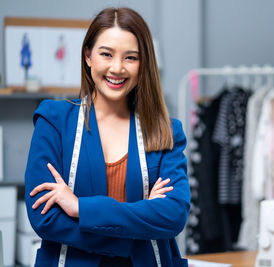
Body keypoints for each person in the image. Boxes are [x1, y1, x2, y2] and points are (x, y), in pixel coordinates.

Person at [25, 7, 190, 267]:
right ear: (88, 56)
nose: (117, 68)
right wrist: (136, 229)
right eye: (106, 54)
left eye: (130, 57)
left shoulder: (165, 130)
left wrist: (81, 208)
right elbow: (45, 218)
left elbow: (173, 215)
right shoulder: (54, 121)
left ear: (143, 63)